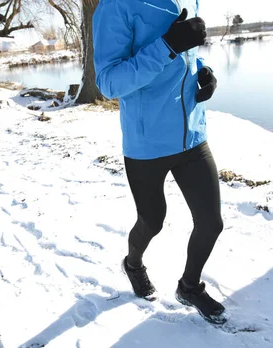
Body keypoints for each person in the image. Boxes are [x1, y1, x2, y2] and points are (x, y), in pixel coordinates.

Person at [92, 0, 226, 324]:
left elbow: (187, 53)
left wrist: (204, 73)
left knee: (211, 222)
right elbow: (109, 81)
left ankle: (189, 287)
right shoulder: (115, 6)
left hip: (191, 133)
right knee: (152, 221)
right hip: (146, 142)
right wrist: (167, 45)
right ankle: (133, 265)